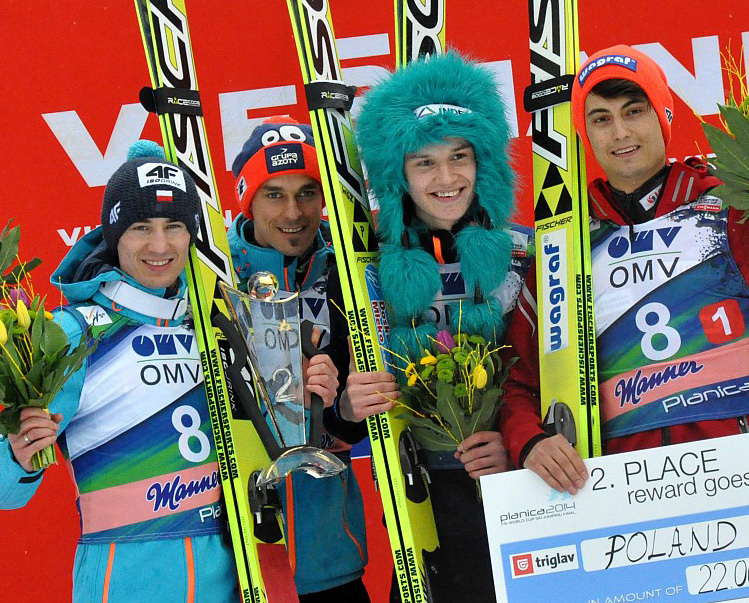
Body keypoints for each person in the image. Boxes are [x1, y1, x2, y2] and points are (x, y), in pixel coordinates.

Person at [499, 45, 749, 494]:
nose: (620, 132)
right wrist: (529, 441)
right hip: (620, 492)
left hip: (731, 477)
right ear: (586, 134)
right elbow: (517, 376)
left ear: (663, 115)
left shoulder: (728, 211)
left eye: (634, 111)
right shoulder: (566, 242)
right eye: (601, 119)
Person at [0, 141, 239, 601]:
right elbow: (6, 491)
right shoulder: (72, 333)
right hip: (126, 578)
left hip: (231, 573)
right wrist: (18, 456)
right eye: (140, 227)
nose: (159, 246)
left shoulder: (215, 322)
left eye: (174, 227)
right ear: (114, 235)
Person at [347, 52, 534, 602]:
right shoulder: (363, 266)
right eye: (424, 162)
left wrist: (515, 443)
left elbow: (549, 373)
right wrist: (347, 405)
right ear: (397, 174)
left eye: (460, 156)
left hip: (516, 491)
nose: (447, 178)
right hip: (418, 499)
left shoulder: (526, 253)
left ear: (483, 162)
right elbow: (337, 415)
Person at [228, 117, 370, 602]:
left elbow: (354, 421)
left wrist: (339, 406)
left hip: (330, 553)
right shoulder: (215, 274)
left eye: (308, 192)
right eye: (274, 195)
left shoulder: (348, 268)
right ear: (248, 199)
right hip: (241, 559)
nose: (294, 212)